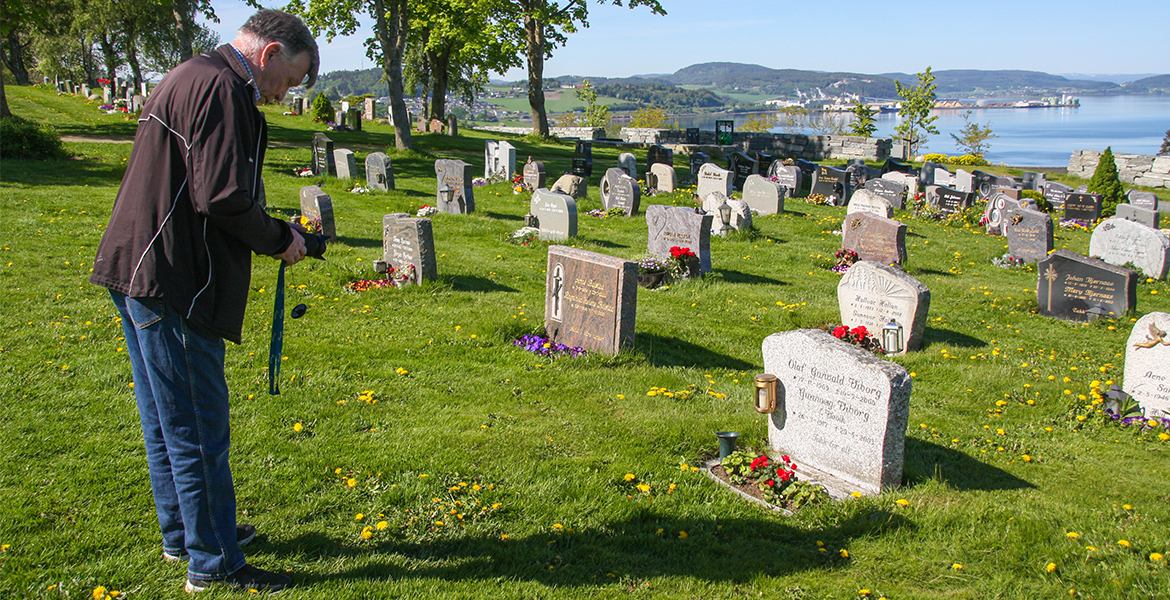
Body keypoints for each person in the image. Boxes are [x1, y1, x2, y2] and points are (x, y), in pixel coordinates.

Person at [89, 9, 319, 594]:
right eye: (287, 81)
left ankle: (185, 535)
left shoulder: (193, 72)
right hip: (175, 276)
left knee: (166, 419)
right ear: (268, 55)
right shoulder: (223, 88)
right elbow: (220, 196)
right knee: (196, 425)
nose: (279, 95)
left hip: (141, 267)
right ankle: (214, 562)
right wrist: (279, 240)